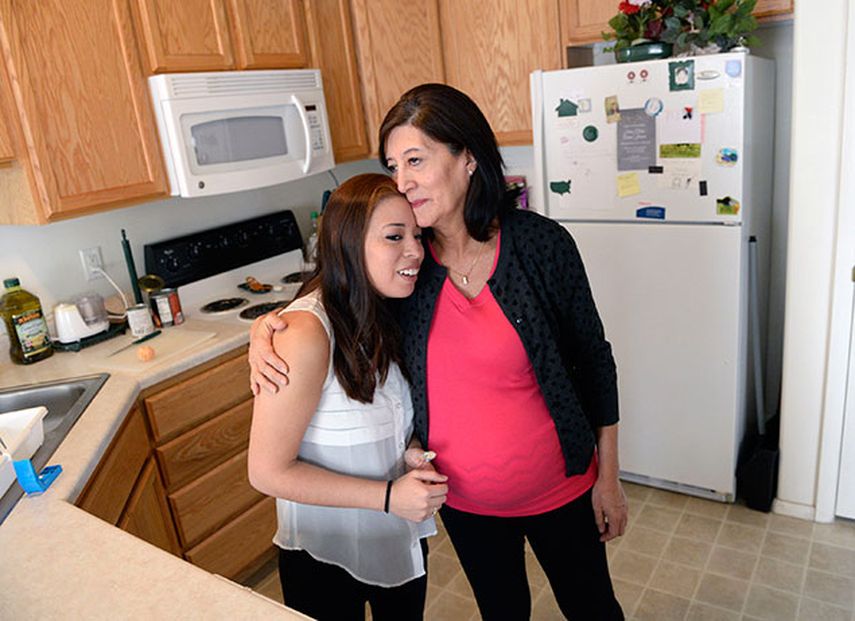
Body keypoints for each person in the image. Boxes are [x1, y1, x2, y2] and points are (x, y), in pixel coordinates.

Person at [250, 85, 627, 621]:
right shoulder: (408, 266)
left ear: (468, 157)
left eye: (416, 160)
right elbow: (332, 297)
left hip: (562, 486)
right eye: (393, 164)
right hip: (467, 505)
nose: (402, 180)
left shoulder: (542, 246)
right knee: (503, 612)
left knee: (594, 609)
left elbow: (595, 362)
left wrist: (608, 479)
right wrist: (266, 327)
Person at [247, 173, 449, 621]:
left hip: (397, 538)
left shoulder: (390, 308)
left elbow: (386, 415)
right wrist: (386, 496)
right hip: (325, 555)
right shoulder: (305, 333)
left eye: (417, 235)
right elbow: (265, 471)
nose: (415, 250)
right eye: (394, 237)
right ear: (348, 245)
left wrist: (410, 451)